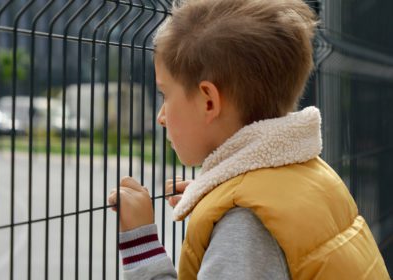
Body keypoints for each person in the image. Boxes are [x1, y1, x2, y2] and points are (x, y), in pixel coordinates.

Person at [108, 0, 390, 279]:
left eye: (165, 95)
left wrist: (140, 244)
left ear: (208, 102)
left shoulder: (248, 223)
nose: (161, 116)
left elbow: (253, 240)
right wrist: (223, 196)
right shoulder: (312, 177)